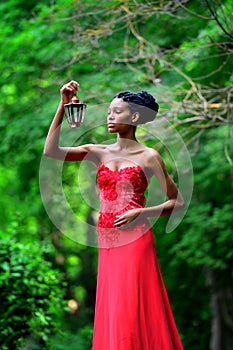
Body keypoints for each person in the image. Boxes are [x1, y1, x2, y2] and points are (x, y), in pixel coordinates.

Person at [44, 80, 185, 349]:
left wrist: (144, 212)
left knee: (133, 301)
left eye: (116, 112)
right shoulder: (98, 152)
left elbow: (177, 202)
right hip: (107, 238)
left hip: (136, 238)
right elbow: (50, 151)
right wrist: (63, 106)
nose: (110, 117)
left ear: (133, 117)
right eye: (109, 112)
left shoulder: (149, 156)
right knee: (115, 304)